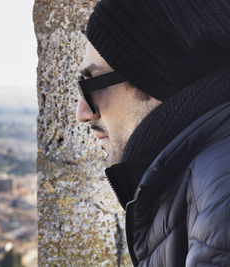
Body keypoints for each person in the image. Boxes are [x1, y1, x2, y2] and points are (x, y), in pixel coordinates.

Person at [76, 0, 230, 266]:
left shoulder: (220, 194)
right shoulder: (199, 174)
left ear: (159, 77)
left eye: (93, 84)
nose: (83, 113)